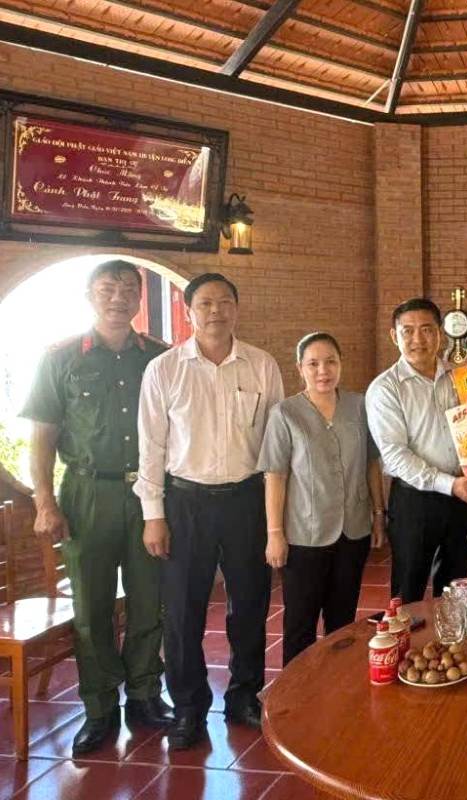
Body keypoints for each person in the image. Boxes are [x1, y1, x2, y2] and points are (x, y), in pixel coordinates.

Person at [21, 260, 173, 755]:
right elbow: (41, 437)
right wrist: (45, 501)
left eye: (130, 289)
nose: (119, 297)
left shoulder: (159, 356)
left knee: (150, 599)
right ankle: (100, 705)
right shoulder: (61, 358)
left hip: (149, 494)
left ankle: (146, 695)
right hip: (87, 496)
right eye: (108, 288)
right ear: (90, 295)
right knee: (92, 608)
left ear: (139, 298)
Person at [135, 273, 284, 750]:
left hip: (246, 500)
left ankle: (244, 695)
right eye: (205, 303)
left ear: (237, 309)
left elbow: (276, 446)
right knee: (182, 611)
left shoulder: (262, 366)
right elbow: (151, 446)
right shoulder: (164, 369)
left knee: (250, 605)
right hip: (185, 503)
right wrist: (153, 513)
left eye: (224, 302)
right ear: (188, 311)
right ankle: (188, 708)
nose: (215, 311)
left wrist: (276, 517)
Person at [258, 332, 386, 666]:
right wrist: (275, 535)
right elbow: (276, 475)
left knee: (343, 621)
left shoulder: (359, 407)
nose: (323, 371)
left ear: (341, 364)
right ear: (300, 368)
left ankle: (336, 689)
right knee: (300, 623)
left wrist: (377, 513)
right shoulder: (285, 413)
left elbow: (371, 462)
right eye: (313, 363)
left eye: (330, 361)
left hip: (352, 530)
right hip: (304, 535)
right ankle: (295, 699)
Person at [366, 298, 467, 605]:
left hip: (465, 495)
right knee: (408, 589)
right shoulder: (385, 389)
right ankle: (409, 650)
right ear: (394, 336)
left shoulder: (462, 378)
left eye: (427, 330)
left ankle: (451, 648)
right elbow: (394, 455)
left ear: (440, 334)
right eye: (408, 331)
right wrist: (449, 484)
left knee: (457, 587)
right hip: (414, 502)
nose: (418, 339)